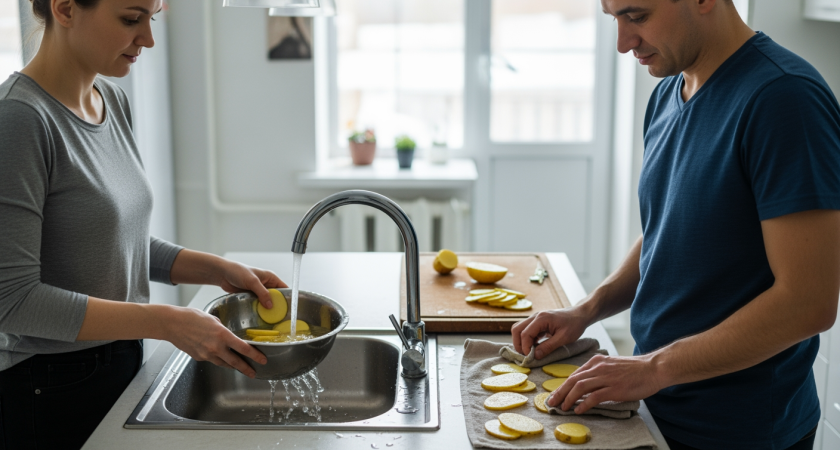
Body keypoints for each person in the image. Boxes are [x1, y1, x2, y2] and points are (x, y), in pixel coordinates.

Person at [512, 1, 840, 449]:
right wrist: (586, 311)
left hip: (738, 433)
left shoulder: (784, 99)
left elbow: (808, 303)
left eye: (637, 16)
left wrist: (652, 368)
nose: (623, 43)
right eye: (614, 19)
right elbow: (670, 231)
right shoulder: (669, 93)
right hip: (656, 408)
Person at [0, 1, 286, 448]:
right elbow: (13, 300)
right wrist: (166, 322)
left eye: (152, 19)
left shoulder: (111, 100)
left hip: (120, 359)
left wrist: (216, 270)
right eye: (131, 20)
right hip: (49, 387)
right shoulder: (19, 121)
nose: (148, 39)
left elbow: (112, 240)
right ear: (65, 9)